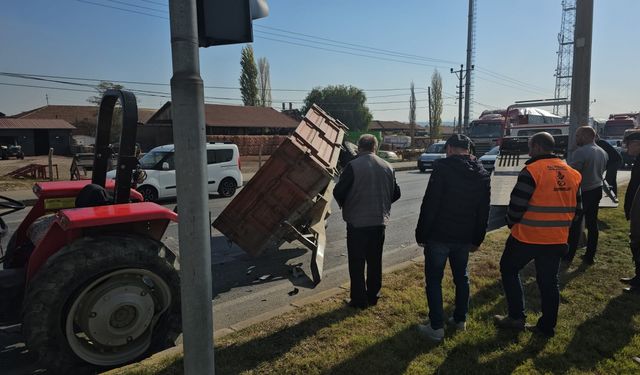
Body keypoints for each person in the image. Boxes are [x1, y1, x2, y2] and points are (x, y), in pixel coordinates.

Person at [494, 132, 582, 338]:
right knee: (549, 282)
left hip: (527, 236)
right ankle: (546, 327)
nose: (529, 150)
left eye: (530, 145)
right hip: (557, 239)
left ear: (539, 147)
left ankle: (516, 317)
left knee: (509, 269)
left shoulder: (532, 171)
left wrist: (510, 222)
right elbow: (578, 211)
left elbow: (516, 206)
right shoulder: (573, 173)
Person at [414, 134, 491, 342]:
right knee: (461, 277)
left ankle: (436, 327)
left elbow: (430, 204)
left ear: (448, 148)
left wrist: (421, 233)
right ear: (469, 150)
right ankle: (460, 319)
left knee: (434, 280)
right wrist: (478, 238)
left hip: (439, 234)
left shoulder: (442, 168)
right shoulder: (482, 172)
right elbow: (483, 211)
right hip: (465, 236)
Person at [333, 134, 401, 309]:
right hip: (379, 221)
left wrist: (347, 204)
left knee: (357, 262)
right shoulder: (388, 166)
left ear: (359, 147)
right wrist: (382, 204)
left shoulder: (352, 166)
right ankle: (373, 296)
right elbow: (396, 193)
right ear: (375, 147)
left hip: (357, 222)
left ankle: (358, 299)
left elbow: (338, 191)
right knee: (375, 260)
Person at [565, 126, 608, 264]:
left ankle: (568, 256)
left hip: (583, 192)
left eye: (578, 136)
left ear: (586, 136)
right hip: (597, 189)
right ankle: (590, 256)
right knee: (592, 223)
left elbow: (571, 174)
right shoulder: (602, 152)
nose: (576, 138)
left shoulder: (581, 152)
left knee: (575, 225)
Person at [621, 130, 640, 292]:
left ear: (636, 144)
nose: (626, 148)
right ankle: (637, 276)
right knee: (635, 242)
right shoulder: (638, 160)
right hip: (635, 207)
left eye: (628, 145)